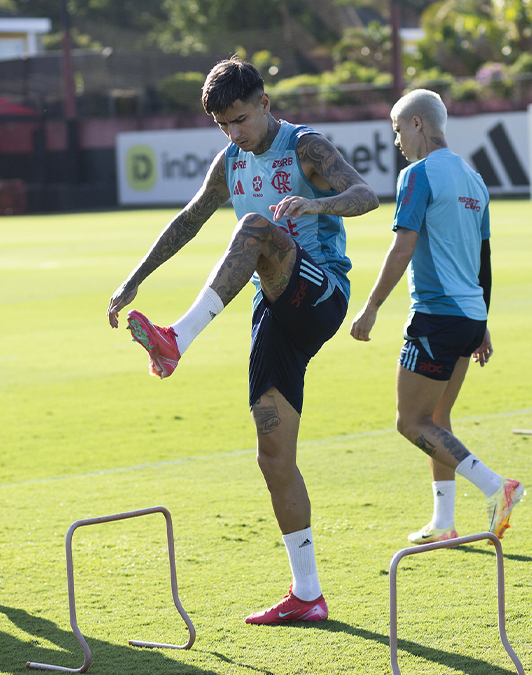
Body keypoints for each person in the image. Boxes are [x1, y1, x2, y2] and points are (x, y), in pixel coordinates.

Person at [106, 58, 378, 625]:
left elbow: (366, 194)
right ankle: (309, 594)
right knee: (273, 455)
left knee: (253, 228)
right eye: (223, 125)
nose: (234, 134)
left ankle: (176, 338)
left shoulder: (305, 146)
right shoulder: (230, 160)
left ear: (264, 103)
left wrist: (315, 203)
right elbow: (188, 219)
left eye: (240, 120)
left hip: (322, 288)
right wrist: (134, 279)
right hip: (276, 308)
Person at [350, 89, 523, 545]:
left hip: (436, 316)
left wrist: (370, 308)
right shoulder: (474, 177)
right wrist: (482, 321)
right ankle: (443, 521)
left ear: (418, 124)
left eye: (397, 130)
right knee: (439, 417)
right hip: (467, 317)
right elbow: (484, 260)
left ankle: (496, 486)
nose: (396, 142)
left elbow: (402, 246)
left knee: (411, 422)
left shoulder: (417, 175)